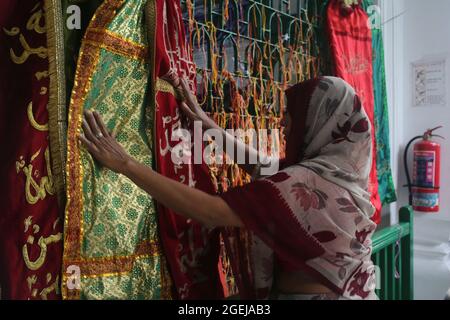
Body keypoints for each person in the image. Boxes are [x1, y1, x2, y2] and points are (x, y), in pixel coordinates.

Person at [79, 75, 379, 300]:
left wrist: (126, 165)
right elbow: (265, 167)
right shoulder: (341, 175)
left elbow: (211, 212)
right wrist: (208, 126)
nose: (284, 124)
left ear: (321, 122)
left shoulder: (307, 185)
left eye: (293, 115)